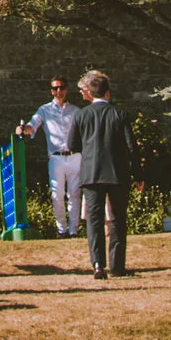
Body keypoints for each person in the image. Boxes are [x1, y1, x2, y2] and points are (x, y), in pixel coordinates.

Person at [66, 70, 138, 278]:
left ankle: (97, 264)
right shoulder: (119, 114)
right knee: (117, 220)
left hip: (91, 173)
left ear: (92, 93)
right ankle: (117, 266)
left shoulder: (81, 115)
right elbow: (131, 146)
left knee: (94, 220)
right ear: (108, 93)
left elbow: (72, 144)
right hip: (117, 173)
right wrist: (138, 173)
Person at [17, 77, 84, 239]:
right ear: (51, 91)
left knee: (74, 194)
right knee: (57, 194)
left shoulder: (76, 111)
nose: (58, 92)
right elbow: (32, 126)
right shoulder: (44, 110)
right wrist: (22, 129)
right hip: (56, 157)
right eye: (55, 89)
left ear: (67, 89)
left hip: (74, 156)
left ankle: (74, 230)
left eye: (61, 88)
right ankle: (62, 230)